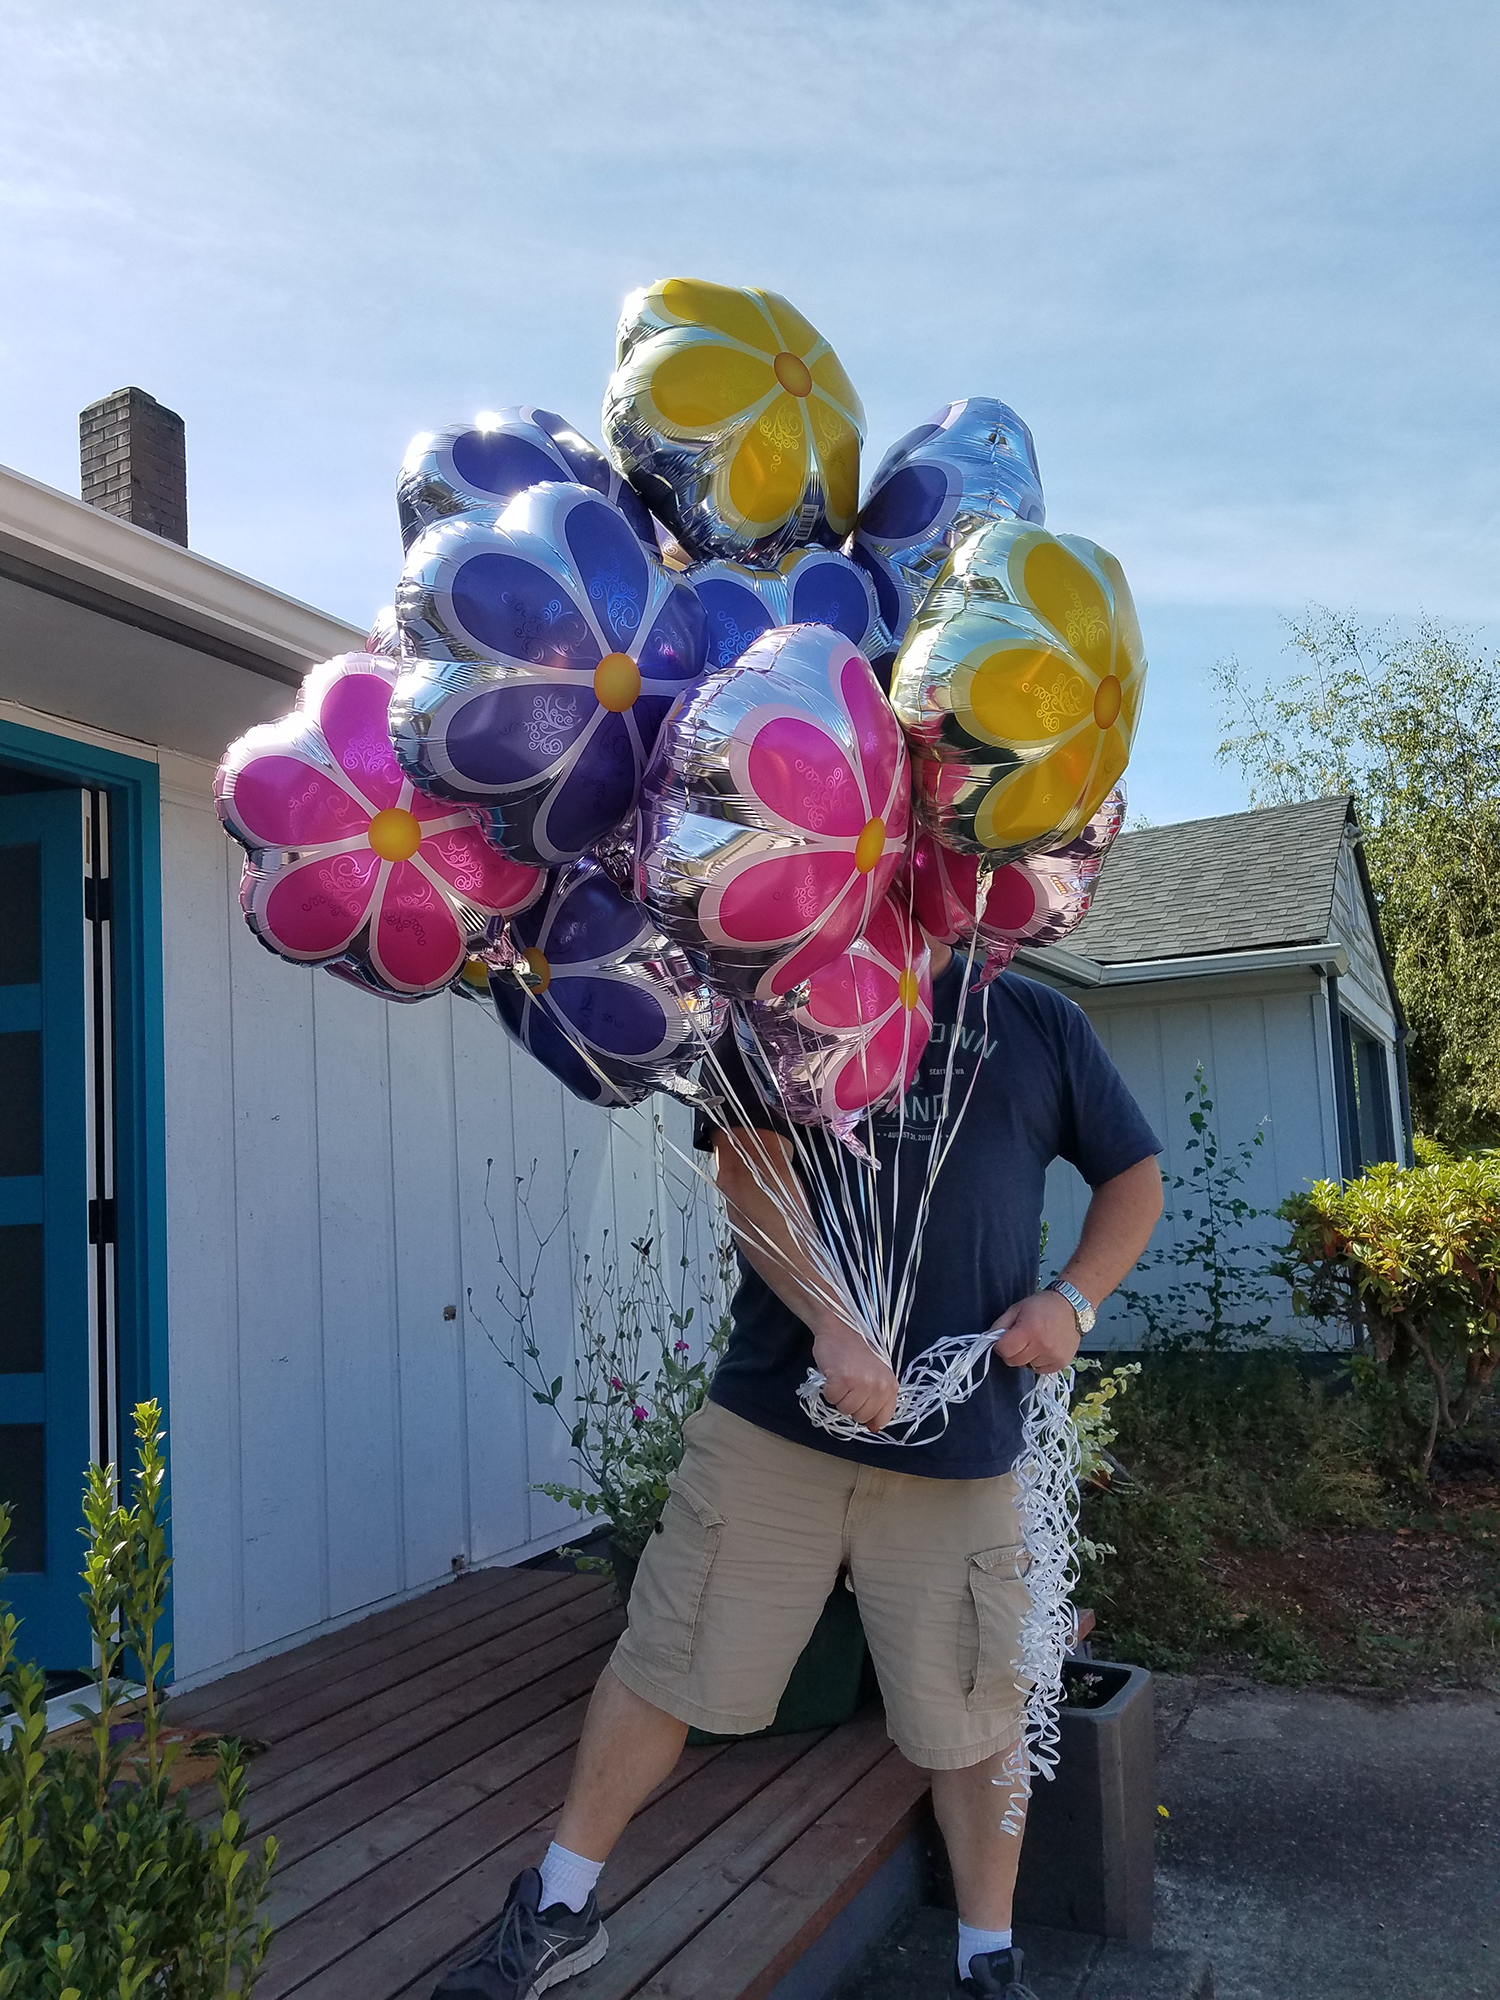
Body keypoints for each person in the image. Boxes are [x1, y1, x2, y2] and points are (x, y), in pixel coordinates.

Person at [433, 939, 1164, 2000]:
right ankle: (557, 1904)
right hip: (780, 1420)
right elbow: (746, 1161)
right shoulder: (785, 978)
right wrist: (833, 1321)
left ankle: (986, 1957)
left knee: (978, 1709)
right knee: (664, 1656)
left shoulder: (1038, 1019)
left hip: (962, 1447)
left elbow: (1131, 1173)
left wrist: (1077, 1298)